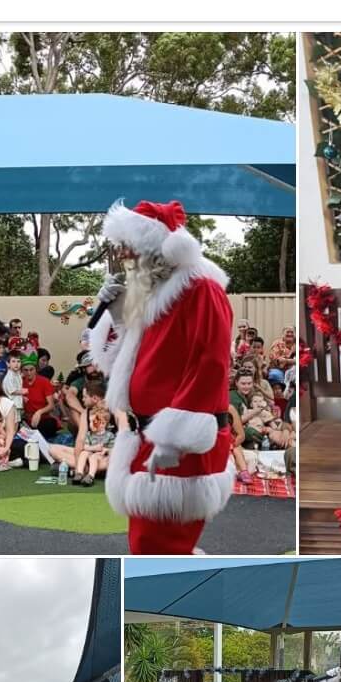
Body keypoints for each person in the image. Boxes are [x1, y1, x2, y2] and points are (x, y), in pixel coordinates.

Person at [90, 199, 234, 555]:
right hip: (148, 442)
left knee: (158, 548)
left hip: (177, 449)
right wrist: (120, 315)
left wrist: (173, 441)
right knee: (149, 546)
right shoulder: (152, 296)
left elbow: (209, 365)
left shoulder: (201, 290)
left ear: (155, 248)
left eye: (128, 245)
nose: (122, 254)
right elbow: (132, 363)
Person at [1, 350, 25, 417]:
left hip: (17, 405)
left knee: (17, 423)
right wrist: (23, 392)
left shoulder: (17, 375)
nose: (16, 364)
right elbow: (12, 391)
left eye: (18, 361)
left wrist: (23, 397)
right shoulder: (9, 376)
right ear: (8, 364)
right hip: (11, 406)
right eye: (13, 361)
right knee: (13, 424)